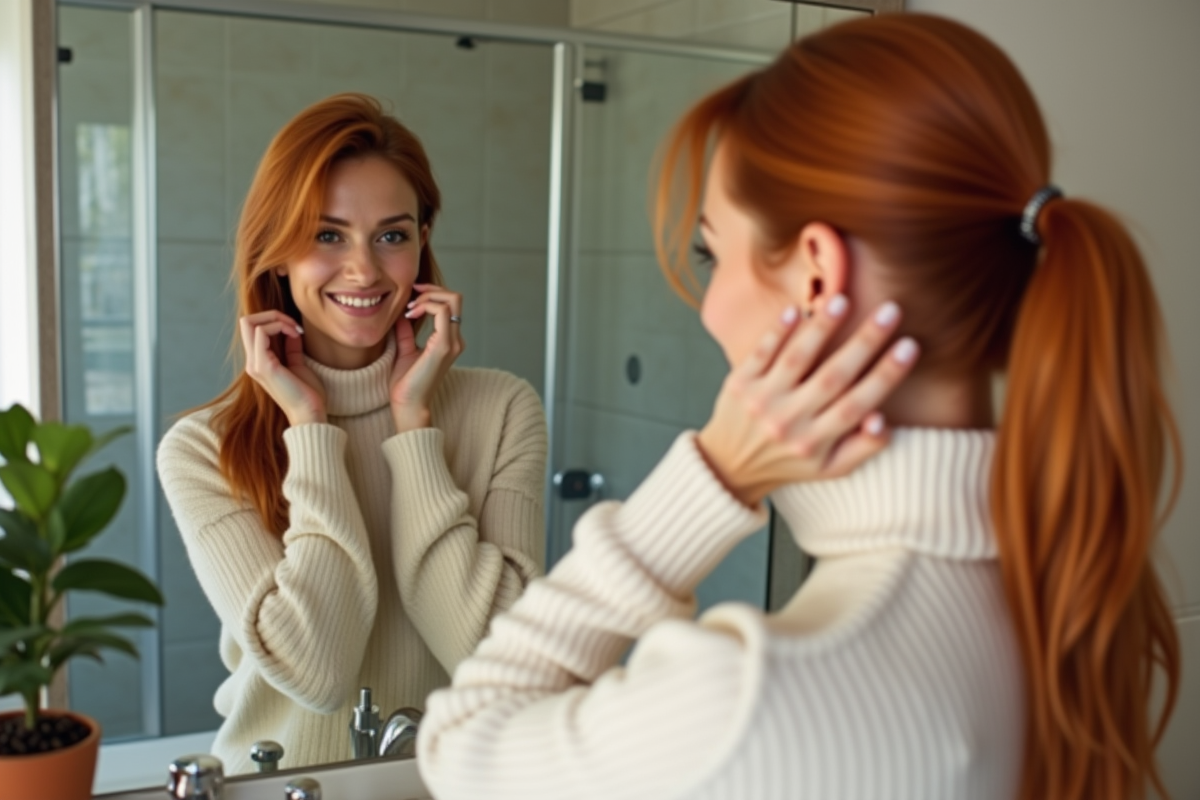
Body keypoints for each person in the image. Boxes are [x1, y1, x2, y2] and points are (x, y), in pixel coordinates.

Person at [417, 14, 1181, 800]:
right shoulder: (1065, 585)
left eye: (713, 252)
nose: (707, 305)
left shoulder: (749, 702)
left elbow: (462, 745)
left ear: (817, 277)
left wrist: (707, 481)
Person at [156, 93, 547, 774]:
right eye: (326, 235)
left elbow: (495, 657)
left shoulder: (503, 408)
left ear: (422, 243)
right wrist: (308, 428)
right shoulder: (200, 449)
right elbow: (316, 671)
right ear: (276, 254)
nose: (364, 271)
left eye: (392, 235)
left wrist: (414, 428)